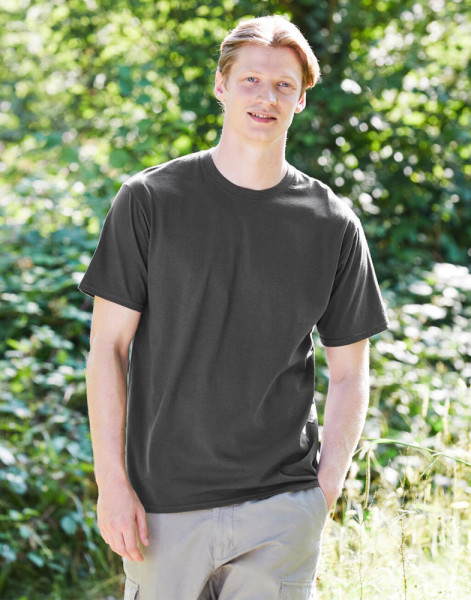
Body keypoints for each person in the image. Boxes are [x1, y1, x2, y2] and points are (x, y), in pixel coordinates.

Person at [78, 14, 389, 600]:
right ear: (221, 85)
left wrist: (322, 494)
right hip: (163, 509)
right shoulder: (149, 201)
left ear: (300, 99)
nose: (266, 97)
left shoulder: (332, 223)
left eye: (284, 85)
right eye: (251, 80)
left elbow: (351, 373)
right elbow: (108, 350)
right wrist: (112, 483)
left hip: (281, 509)